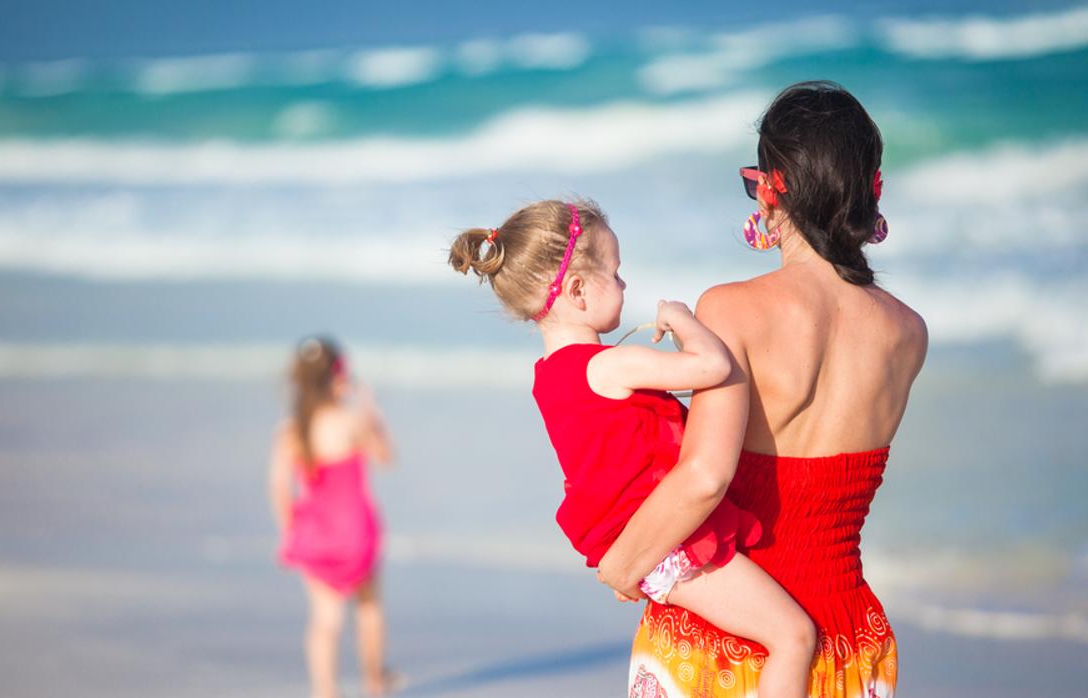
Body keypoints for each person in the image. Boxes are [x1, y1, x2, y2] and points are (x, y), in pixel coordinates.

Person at [595, 81, 929, 697]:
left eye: (755, 182)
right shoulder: (908, 332)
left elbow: (705, 477)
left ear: (774, 189)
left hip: (731, 633)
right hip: (851, 639)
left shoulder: (731, 310)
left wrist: (627, 563)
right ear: (866, 193)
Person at [448, 200, 816, 698]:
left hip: (639, 542)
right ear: (577, 290)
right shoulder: (607, 366)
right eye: (616, 274)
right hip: (669, 541)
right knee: (792, 635)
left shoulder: (549, 378)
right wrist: (682, 318)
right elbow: (710, 366)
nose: (625, 286)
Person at [268, 337, 397, 698]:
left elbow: (279, 489)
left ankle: (325, 692)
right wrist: (370, 407)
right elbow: (385, 456)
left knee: (325, 620)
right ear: (337, 378)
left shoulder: (290, 432)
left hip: (313, 534)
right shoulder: (350, 421)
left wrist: (289, 529)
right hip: (355, 531)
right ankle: (374, 682)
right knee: (368, 608)